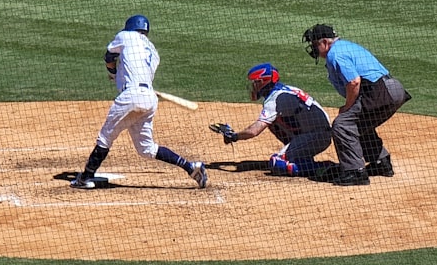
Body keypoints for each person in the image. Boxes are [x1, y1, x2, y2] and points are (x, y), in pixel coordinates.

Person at [70, 15, 208, 189]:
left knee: (105, 137)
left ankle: (85, 178)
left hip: (131, 96)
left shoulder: (126, 36)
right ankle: (191, 167)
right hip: (148, 97)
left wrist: (112, 73)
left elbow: (109, 56)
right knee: (147, 149)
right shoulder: (154, 52)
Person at [302, 24, 411, 186]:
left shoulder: (335, 54)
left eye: (315, 44)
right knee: (359, 123)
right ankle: (381, 162)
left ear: (324, 42)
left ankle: (355, 172)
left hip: (380, 91)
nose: (313, 48)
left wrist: (347, 106)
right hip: (394, 89)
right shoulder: (346, 46)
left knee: (342, 125)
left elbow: (354, 82)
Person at [214, 63, 332, 177]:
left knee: (277, 163)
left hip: (317, 136)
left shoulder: (274, 99)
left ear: (263, 82)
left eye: (255, 82)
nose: (253, 86)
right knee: (274, 123)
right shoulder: (284, 89)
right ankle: (299, 155)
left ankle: (323, 168)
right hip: (316, 131)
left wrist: (234, 136)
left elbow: (253, 131)